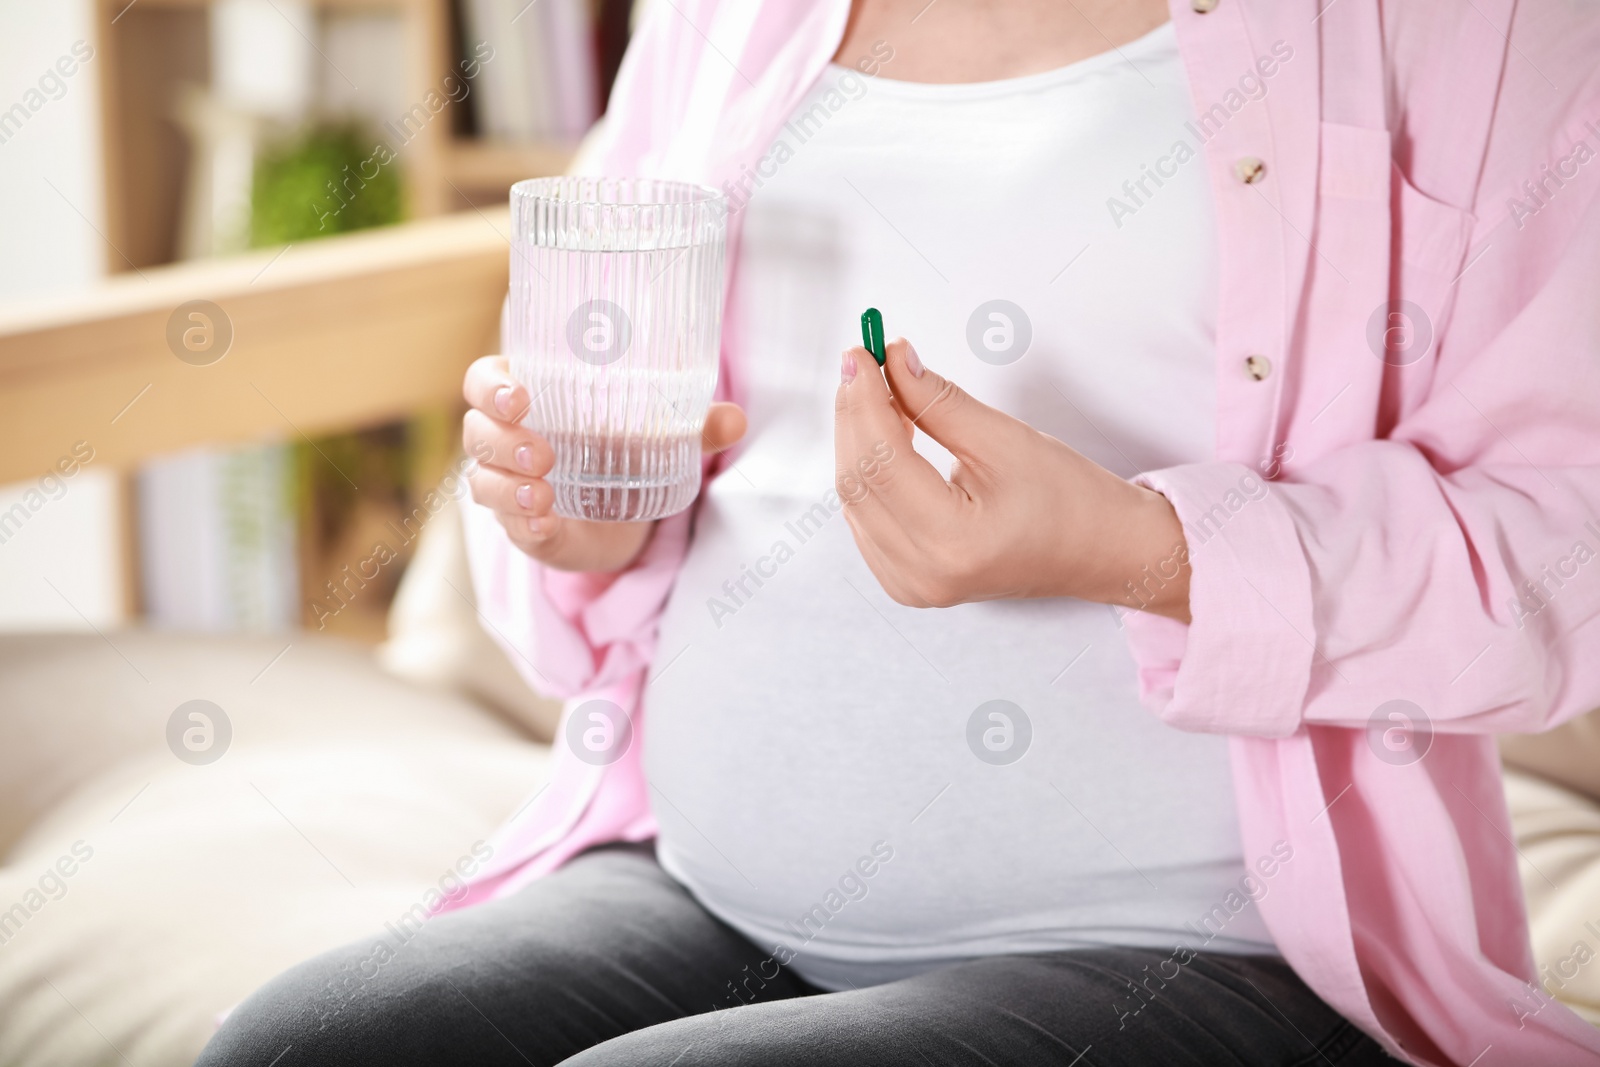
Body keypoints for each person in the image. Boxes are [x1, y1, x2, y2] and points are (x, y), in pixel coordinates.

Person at [200, 0, 1600, 1064]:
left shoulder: (1482, 33)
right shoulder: (722, 22)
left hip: (1204, 953)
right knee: (307, 1045)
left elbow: (1569, 549)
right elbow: (598, 477)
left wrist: (1138, 549)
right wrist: (574, 524)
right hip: (698, 886)